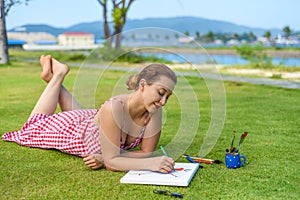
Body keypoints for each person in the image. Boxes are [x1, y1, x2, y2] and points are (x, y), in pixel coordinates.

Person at [2, 55, 177, 173]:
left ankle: (54, 77)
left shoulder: (154, 110)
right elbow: (112, 163)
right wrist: (150, 164)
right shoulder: (114, 108)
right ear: (143, 85)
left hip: (92, 123)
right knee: (33, 127)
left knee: (83, 117)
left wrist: (108, 157)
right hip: (73, 130)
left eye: (168, 96)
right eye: (161, 92)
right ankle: (58, 75)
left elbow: (146, 151)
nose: (163, 101)